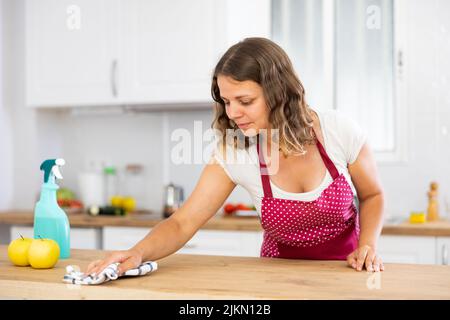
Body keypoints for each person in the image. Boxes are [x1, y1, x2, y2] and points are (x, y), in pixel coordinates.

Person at [86, 37, 385, 277]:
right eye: (226, 101)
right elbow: (183, 222)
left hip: (346, 274)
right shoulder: (236, 151)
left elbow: (372, 195)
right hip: (276, 282)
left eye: (245, 101)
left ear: (279, 91)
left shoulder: (337, 130)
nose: (232, 113)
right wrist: (137, 252)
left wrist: (368, 244)